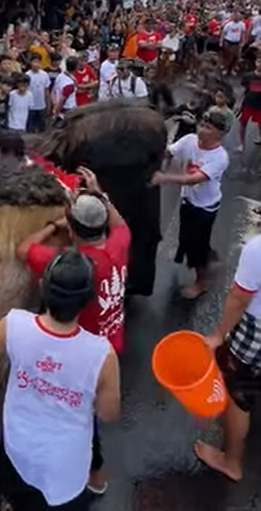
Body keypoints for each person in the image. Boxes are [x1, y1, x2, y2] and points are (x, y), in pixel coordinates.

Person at [0, 246, 121, 511]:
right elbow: (108, 414)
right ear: (88, 300)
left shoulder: (16, 325)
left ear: (42, 287)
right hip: (67, 469)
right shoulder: (102, 354)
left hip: (19, 452)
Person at [16, 166, 129, 492]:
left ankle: (94, 473)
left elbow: (23, 249)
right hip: (111, 344)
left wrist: (53, 225)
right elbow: (119, 222)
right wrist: (98, 195)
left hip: (81, 358)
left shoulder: (72, 266)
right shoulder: (120, 243)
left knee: (80, 419)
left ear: (73, 227)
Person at [197, 233, 261, 482]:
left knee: (238, 394)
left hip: (256, 331)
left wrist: (219, 334)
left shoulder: (256, 249)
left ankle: (231, 461)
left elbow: (239, 299)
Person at [151, 110, 229, 299]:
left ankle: (202, 283)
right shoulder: (189, 140)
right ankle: (208, 256)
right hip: (188, 201)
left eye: (208, 128)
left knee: (196, 246)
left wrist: (164, 177)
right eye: (201, 125)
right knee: (188, 238)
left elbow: (194, 179)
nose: (201, 129)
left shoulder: (220, 157)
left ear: (219, 134)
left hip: (205, 208)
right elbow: (169, 151)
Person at [238, 56, 261, 153]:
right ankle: (241, 144)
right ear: (255, 63)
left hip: (260, 105)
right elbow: (243, 89)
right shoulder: (248, 76)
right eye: (259, 61)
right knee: (243, 123)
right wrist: (239, 102)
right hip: (248, 103)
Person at [26, 54, 50, 133]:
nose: (37, 64)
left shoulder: (44, 75)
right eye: (35, 62)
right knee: (30, 128)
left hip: (41, 105)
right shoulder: (27, 75)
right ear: (30, 63)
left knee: (42, 128)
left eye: (39, 62)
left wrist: (48, 104)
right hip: (30, 106)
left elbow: (46, 90)